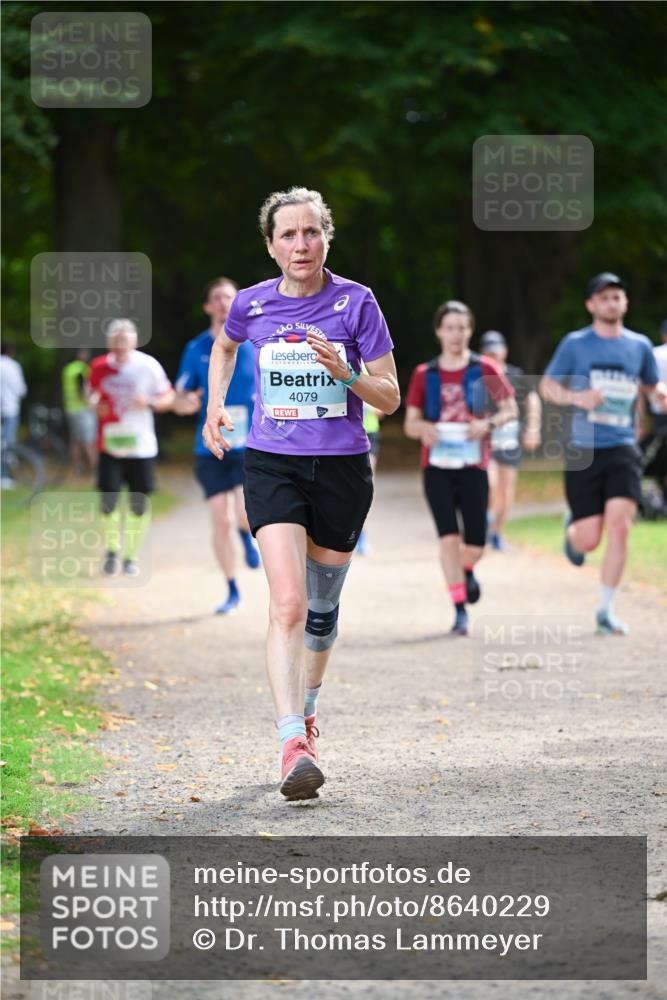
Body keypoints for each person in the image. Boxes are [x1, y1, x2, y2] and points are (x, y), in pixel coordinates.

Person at [202, 186, 399, 801]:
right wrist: (214, 405)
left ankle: (308, 706)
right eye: (288, 234)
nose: (300, 244)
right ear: (270, 245)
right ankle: (291, 742)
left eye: (310, 232)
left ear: (326, 238)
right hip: (272, 465)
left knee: (320, 613)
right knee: (286, 604)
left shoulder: (356, 303)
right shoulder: (252, 304)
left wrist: (348, 375)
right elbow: (226, 345)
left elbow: (389, 397)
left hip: (341, 470)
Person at [540, 273, 667, 635]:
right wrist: (576, 397)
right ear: (591, 305)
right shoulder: (575, 344)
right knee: (589, 539)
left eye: (617, 297)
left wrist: (659, 394)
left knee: (621, 525)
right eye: (604, 297)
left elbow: (648, 385)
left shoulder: (639, 346)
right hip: (583, 448)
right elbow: (549, 386)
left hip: (623, 446)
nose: (612, 302)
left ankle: (605, 610)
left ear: (625, 303)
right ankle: (572, 532)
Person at [404, 301, 517, 636]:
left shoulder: (485, 368)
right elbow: (410, 422)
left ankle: (465, 570)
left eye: (462, 327)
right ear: (439, 331)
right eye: (449, 327)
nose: (456, 334)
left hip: (473, 465)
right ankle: (459, 610)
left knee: (476, 545)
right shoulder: (425, 374)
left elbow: (510, 408)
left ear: (471, 330)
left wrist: (489, 423)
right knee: (448, 540)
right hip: (436, 467)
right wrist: (423, 429)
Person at [174, 277, 261, 615]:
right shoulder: (196, 348)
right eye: (217, 298)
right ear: (207, 306)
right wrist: (184, 403)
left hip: (249, 443)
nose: (224, 302)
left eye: (230, 297)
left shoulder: (255, 341)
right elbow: (182, 395)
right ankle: (232, 588)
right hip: (209, 445)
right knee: (219, 520)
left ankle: (246, 536)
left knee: (242, 513)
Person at [88, 319, 174, 577]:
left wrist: (147, 401)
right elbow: (91, 395)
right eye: (116, 341)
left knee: (138, 503)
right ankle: (112, 551)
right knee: (108, 500)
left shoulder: (147, 366)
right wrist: (94, 405)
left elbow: (168, 398)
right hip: (110, 445)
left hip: (141, 446)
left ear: (134, 342)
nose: (121, 346)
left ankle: (131, 556)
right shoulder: (99, 366)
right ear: (109, 343)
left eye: (125, 341)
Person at [479, 330, 542, 550]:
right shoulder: (479, 375)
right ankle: (485, 516)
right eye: (489, 352)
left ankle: (496, 531)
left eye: (497, 351)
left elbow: (533, 400)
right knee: (490, 482)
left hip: (509, 440)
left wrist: (533, 428)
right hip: (485, 441)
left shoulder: (516, 374)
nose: (494, 356)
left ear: (504, 351)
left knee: (506, 491)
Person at [356, 390, 385, 555]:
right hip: (343, 432)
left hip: (368, 433)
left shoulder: (371, 367)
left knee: (364, 485)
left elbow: (382, 409)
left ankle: (362, 534)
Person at [62, 348, 97, 475]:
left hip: (70, 409)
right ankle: (94, 470)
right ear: (82, 354)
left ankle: (77, 468)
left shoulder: (68, 369)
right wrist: (92, 404)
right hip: (83, 410)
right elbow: (83, 391)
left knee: (75, 440)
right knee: (89, 441)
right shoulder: (82, 369)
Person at [0, 342, 27, 489]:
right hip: (10, 409)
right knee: (8, 444)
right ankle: (5, 476)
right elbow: (21, 389)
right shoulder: (13, 366)